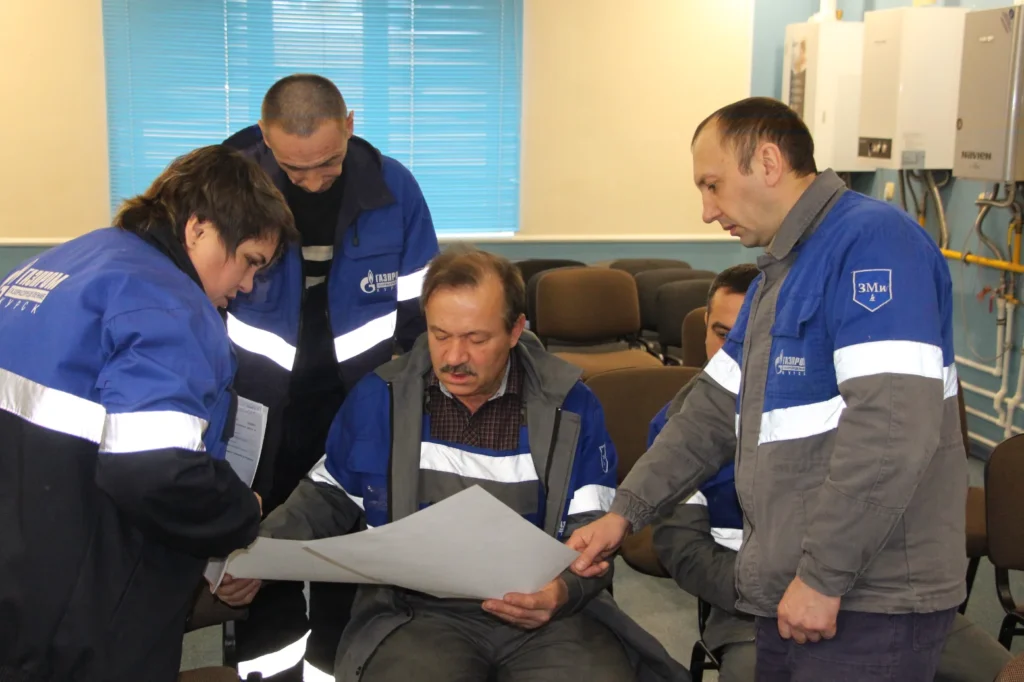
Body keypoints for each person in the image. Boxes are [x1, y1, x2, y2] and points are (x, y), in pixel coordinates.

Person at [568, 97, 969, 681]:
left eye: (712, 185)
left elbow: (890, 434)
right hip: (790, 589)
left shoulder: (874, 244)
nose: (707, 211)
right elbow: (708, 413)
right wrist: (624, 513)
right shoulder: (778, 275)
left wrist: (824, 576)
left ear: (769, 162)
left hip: (865, 598)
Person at [216, 246, 688, 682]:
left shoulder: (571, 407)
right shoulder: (382, 397)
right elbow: (328, 496)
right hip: (418, 612)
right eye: (440, 335)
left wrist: (562, 592)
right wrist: (259, 554)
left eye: (476, 339)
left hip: (548, 610)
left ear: (516, 330)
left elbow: (593, 526)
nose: (454, 357)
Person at [0, 145, 297, 682]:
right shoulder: (171, 306)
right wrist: (239, 512)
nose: (248, 285)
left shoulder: (58, 265)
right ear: (199, 229)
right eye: (251, 260)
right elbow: (156, 470)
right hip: (88, 603)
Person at [645, 268, 1011, 682]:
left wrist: (836, 586)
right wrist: (780, 593)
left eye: (757, 336)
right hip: (754, 610)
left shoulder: (858, 411)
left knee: (1006, 674)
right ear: (705, 332)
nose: (738, 352)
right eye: (723, 335)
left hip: (881, 598)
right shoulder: (678, 429)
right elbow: (684, 549)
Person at [223, 74, 440, 679]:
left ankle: (335, 669)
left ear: (349, 125)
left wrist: (404, 401)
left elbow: (422, 314)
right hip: (257, 410)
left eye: (328, 163)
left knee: (347, 555)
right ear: (266, 137)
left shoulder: (394, 189)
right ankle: (268, 671)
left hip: (359, 405)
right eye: (296, 169)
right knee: (263, 552)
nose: (314, 181)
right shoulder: (228, 187)